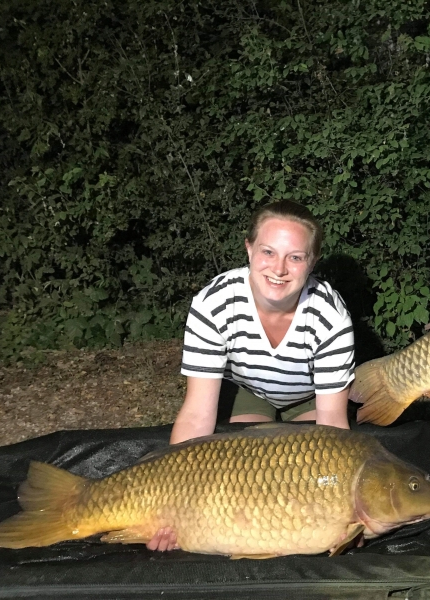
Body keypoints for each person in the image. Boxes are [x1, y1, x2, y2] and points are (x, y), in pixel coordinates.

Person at [148, 199, 355, 550]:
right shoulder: (213, 303)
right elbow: (197, 413)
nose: (279, 268)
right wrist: (171, 504)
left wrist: (346, 513)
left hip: (309, 396)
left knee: (302, 477)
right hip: (248, 390)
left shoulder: (330, 317)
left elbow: (332, 423)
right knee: (242, 474)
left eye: (295, 257)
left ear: (312, 262)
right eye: (268, 252)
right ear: (248, 248)